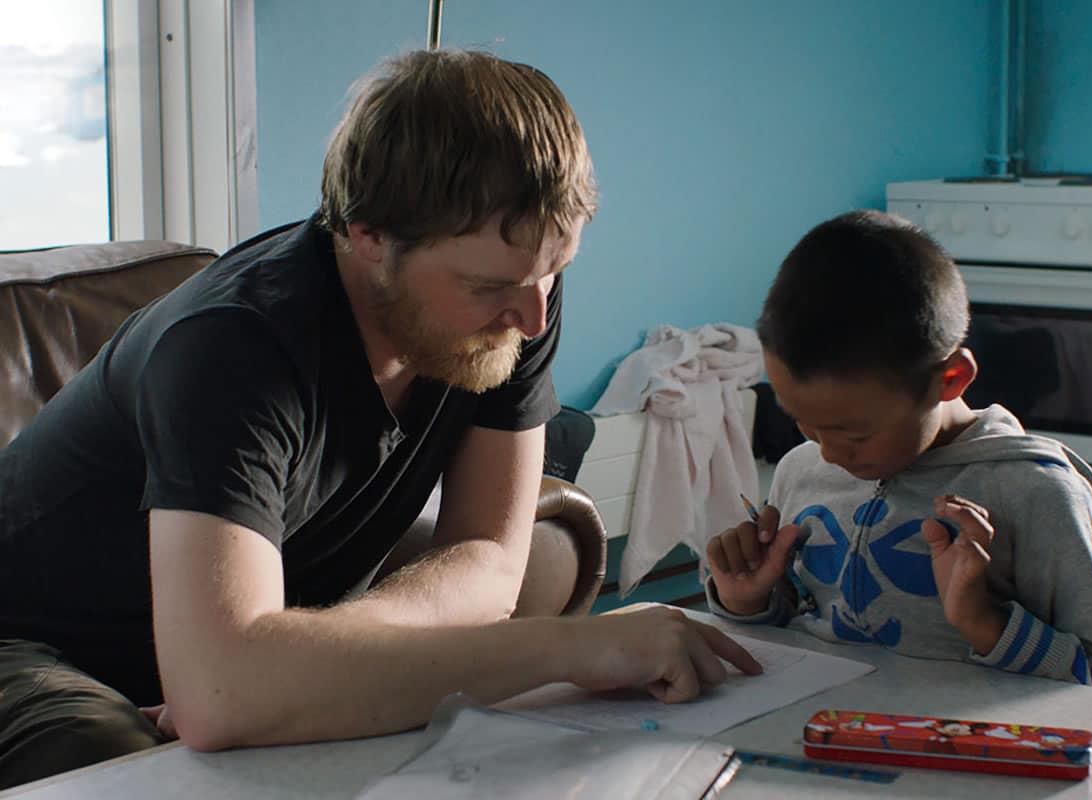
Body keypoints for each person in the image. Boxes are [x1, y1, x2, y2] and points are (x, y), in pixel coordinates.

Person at [0, 49, 759, 789]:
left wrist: (292, 662)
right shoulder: (234, 346)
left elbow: (492, 560)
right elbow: (218, 699)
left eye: (552, 273)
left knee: (543, 559)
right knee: (104, 745)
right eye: (490, 285)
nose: (531, 318)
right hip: (36, 641)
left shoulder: (514, 298)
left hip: (251, 620)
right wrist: (566, 651)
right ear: (369, 237)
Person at [704, 210, 1092, 696]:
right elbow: (805, 624)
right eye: (802, 422)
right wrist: (748, 601)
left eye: (854, 435)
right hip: (819, 738)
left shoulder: (1037, 492)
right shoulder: (801, 468)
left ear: (951, 379)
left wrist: (985, 622)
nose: (828, 454)